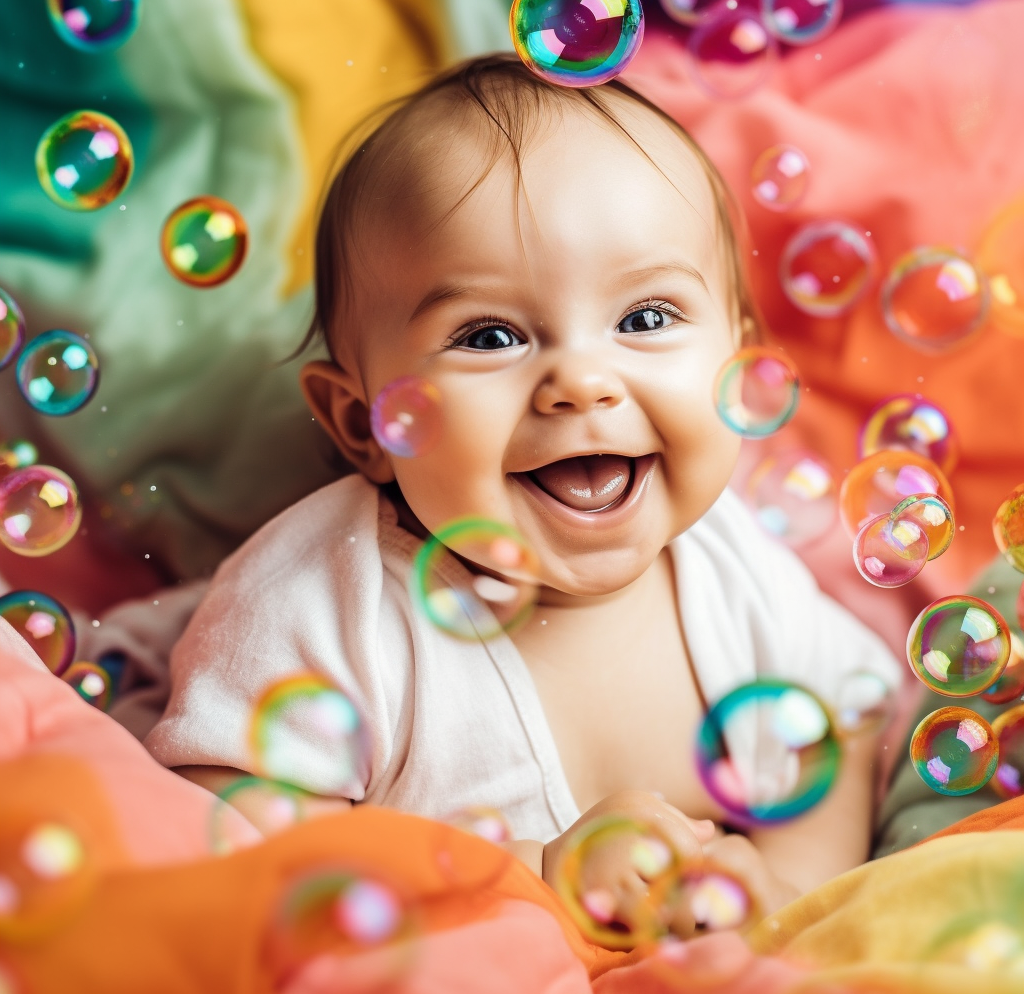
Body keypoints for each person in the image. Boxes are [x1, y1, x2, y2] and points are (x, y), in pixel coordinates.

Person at [145, 53, 900, 939]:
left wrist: (787, 884)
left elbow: (843, 724)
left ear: (735, 364)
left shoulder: (731, 567)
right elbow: (223, 831)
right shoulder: (322, 610)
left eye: (646, 318)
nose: (581, 381)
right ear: (364, 425)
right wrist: (525, 878)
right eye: (489, 335)